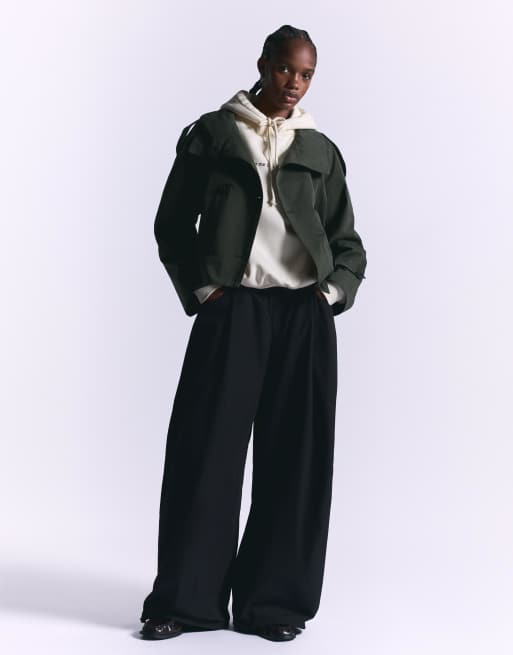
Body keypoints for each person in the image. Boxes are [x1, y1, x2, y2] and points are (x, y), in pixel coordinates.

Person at [139, 24, 367, 643]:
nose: (295, 83)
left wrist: (331, 292)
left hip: (303, 316)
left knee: (296, 461)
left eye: (307, 74)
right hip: (232, 310)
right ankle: (186, 602)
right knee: (204, 455)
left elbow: (347, 242)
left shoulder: (319, 148)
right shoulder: (213, 135)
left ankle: (274, 605)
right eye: (287, 69)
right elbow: (171, 225)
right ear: (264, 65)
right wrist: (204, 290)